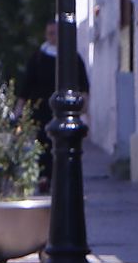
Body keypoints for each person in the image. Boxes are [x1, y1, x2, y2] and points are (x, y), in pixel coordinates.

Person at [16, 21, 89, 193]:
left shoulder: (72, 57)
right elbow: (27, 84)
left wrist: (85, 103)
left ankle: (61, 179)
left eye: (55, 33)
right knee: (43, 144)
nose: (53, 36)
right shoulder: (38, 58)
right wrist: (19, 107)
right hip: (41, 109)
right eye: (50, 33)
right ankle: (43, 177)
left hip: (65, 110)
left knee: (64, 145)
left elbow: (83, 82)